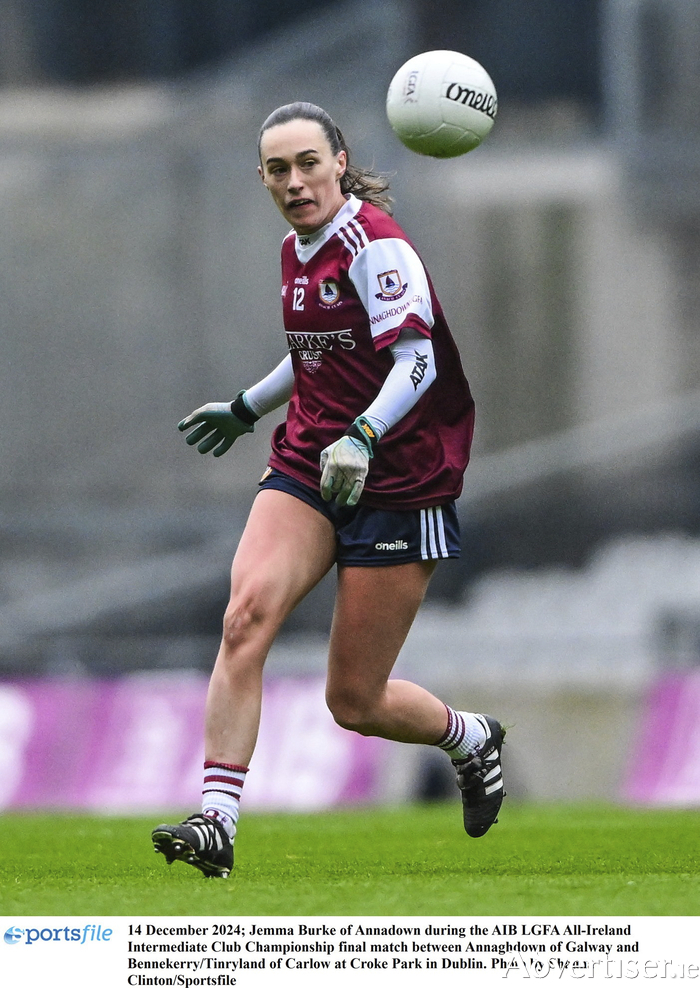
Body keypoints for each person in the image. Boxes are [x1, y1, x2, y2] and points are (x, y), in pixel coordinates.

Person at [151, 101, 505, 879]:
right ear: (263, 179)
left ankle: (470, 738)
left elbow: (417, 363)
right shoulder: (294, 249)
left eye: (309, 162)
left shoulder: (378, 249)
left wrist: (366, 435)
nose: (294, 181)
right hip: (310, 462)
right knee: (245, 617)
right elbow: (313, 354)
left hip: (402, 480)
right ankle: (217, 820)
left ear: (340, 161)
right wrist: (247, 406)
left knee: (355, 701)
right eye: (278, 169)